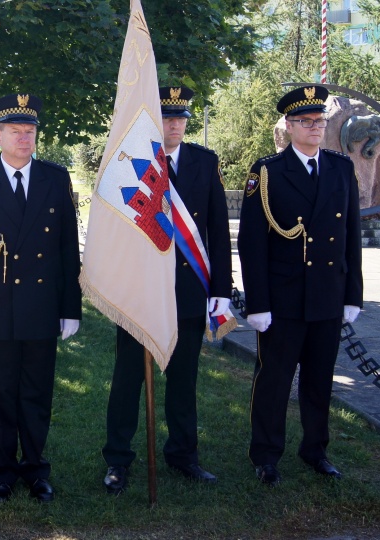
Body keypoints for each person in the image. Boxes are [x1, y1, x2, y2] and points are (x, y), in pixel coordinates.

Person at [0, 94, 82, 503]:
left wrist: (70, 308)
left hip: (42, 305)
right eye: (15, 132)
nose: (25, 139)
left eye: (31, 131)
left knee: (37, 392)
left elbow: (66, 249)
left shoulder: (55, 178)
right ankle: (3, 470)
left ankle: (37, 469)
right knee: (0, 392)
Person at [101, 86, 232, 494]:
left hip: (188, 291)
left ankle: (182, 455)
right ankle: (118, 460)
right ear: (154, 122)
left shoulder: (205, 162)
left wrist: (221, 290)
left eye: (181, 118)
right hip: (142, 292)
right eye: (167, 118)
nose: (175, 125)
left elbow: (217, 233)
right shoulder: (133, 164)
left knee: (183, 380)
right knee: (127, 380)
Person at [237, 85, 363, 487]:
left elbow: (351, 235)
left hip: (327, 293)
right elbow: (252, 241)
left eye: (319, 121)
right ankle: (266, 454)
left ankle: (315, 450)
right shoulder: (268, 171)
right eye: (306, 122)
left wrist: (353, 293)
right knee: (274, 380)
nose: (315, 128)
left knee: (318, 379)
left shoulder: (341, 168)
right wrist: (257, 302)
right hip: (284, 297)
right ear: (289, 126)